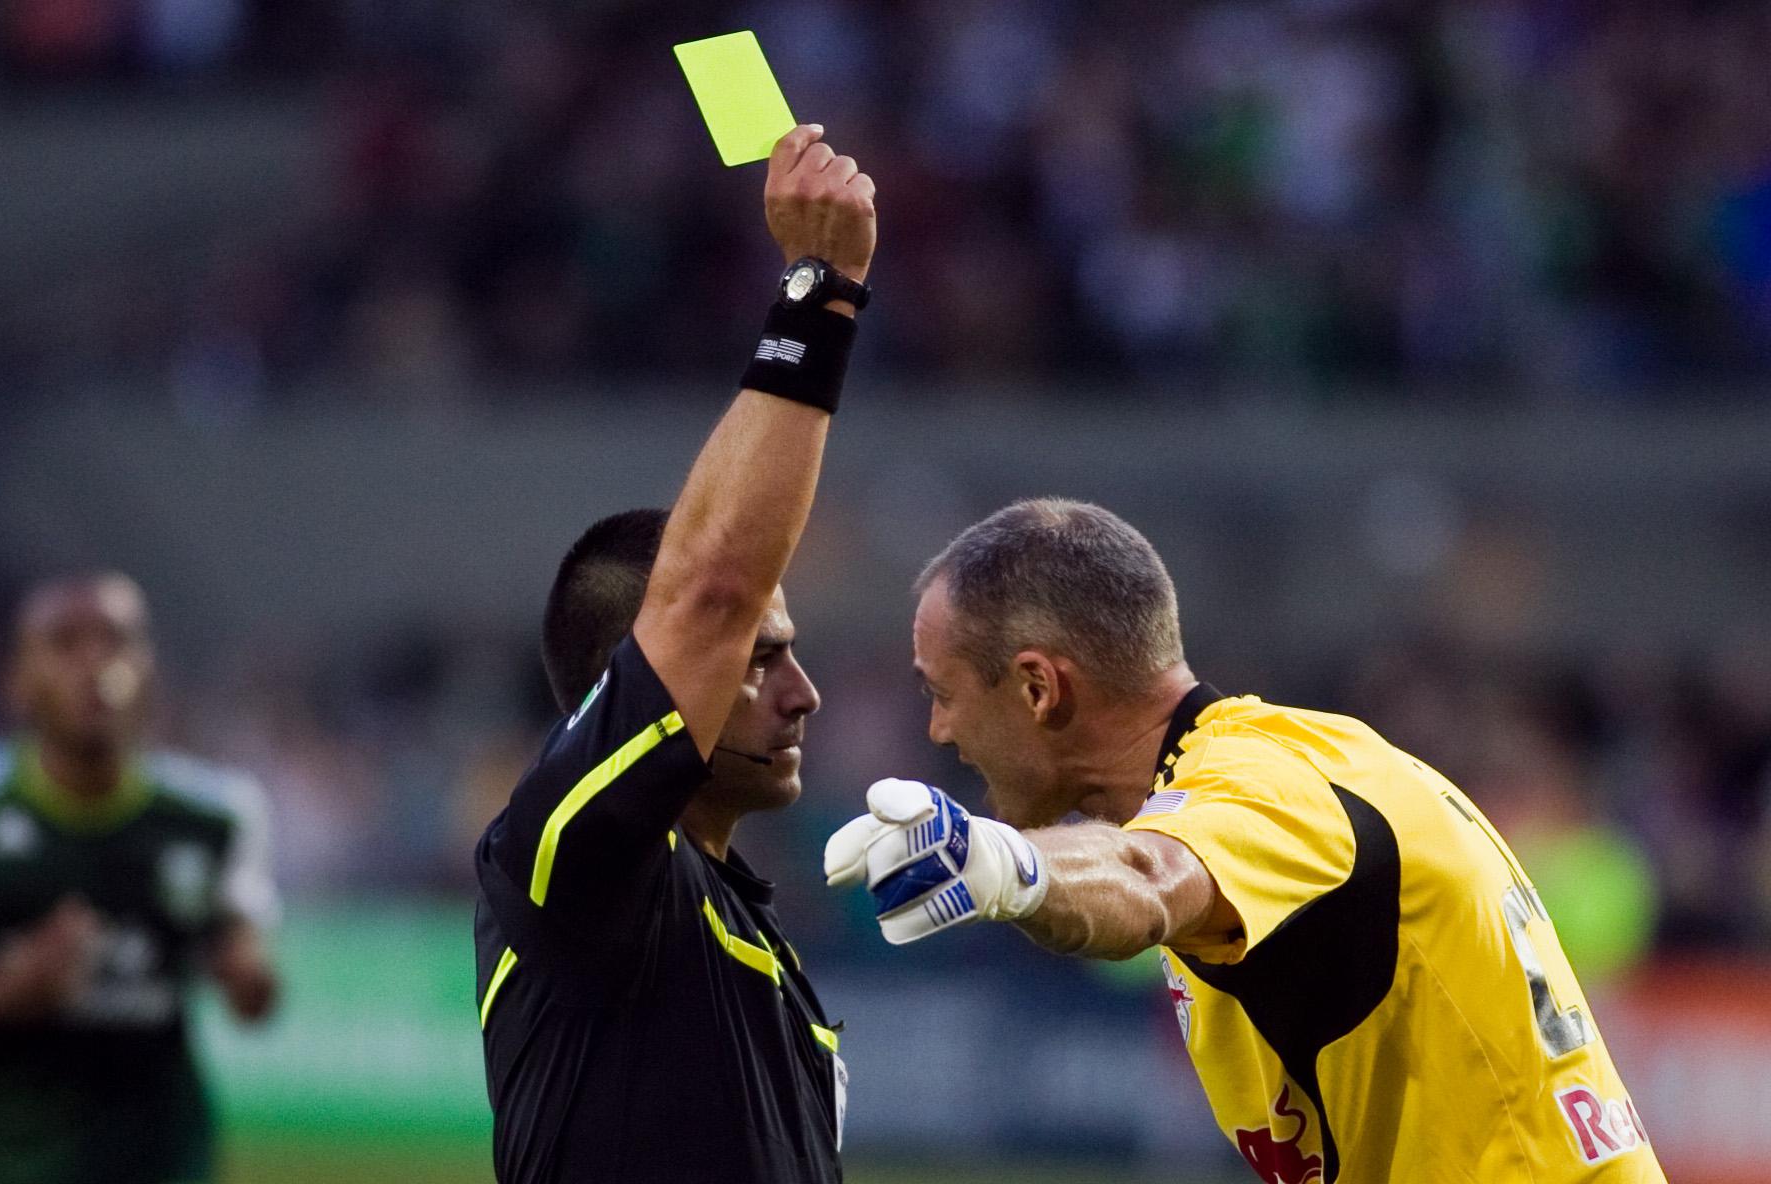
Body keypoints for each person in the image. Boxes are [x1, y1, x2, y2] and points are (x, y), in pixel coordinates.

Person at [826, 498, 1665, 1183]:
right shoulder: (1305, 753)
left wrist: (1001, 865)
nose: (937, 730)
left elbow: (1151, 874)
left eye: (944, 693)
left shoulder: (1259, 788)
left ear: (1039, 688)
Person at [473, 123, 875, 1184]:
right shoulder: (570, 869)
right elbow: (711, 586)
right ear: (638, 678)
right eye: (760, 658)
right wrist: (817, 290)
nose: (805, 693)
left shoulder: (739, 925)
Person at [0, 572, 281, 1184]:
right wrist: (17, 988)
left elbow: (253, 993)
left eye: (117, 640)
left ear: (149, 670)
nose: (94, 663)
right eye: (65, 643)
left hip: (162, 1155)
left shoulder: (217, 817)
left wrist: (247, 976)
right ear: (18, 677)